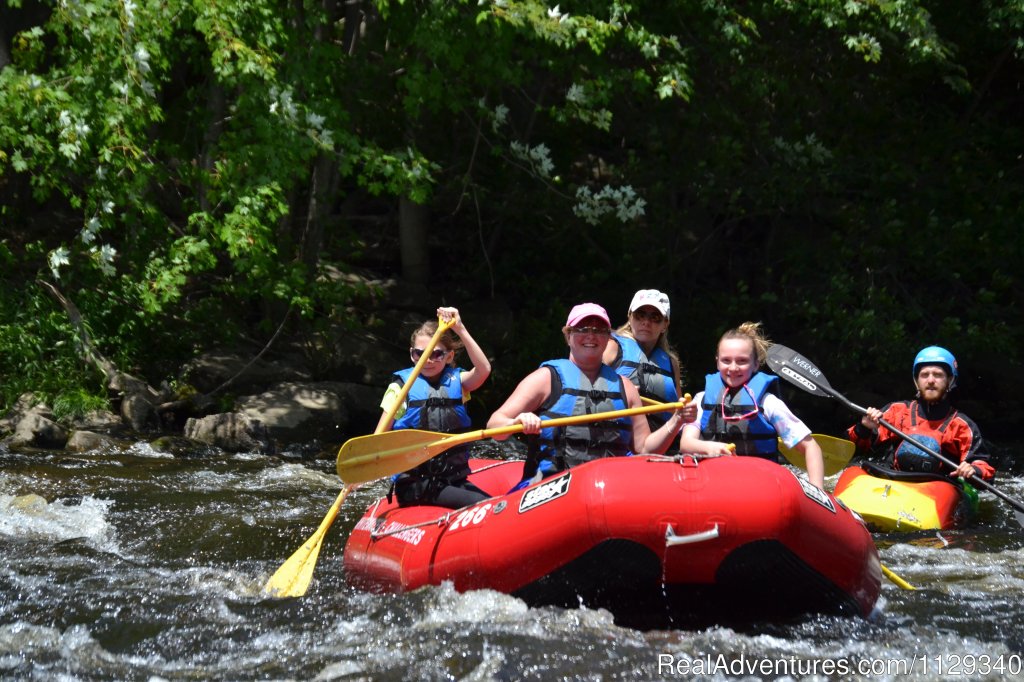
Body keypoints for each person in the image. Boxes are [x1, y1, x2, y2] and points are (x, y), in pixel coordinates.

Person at [486, 302, 690, 482]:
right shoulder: (545, 378)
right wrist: (515, 423)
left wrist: (677, 420)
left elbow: (645, 448)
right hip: (550, 485)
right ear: (568, 335)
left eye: (599, 330)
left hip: (610, 488)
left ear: (608, 337)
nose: (591, 336)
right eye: (582, 329)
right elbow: (495, 424)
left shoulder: (626, 387)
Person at [677, 322, 826, 489]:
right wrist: (713, 448)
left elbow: (811, 447)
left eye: (742, 361)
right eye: (726, 360)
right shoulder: (702, 399)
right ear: (717, 362)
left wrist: (817, 492)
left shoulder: (768, 403)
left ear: (756, 364)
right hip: (713, 482)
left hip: (758, 485)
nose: (733, 368)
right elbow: (686, 444)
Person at [378, 306, 492, 508]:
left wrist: (460, 328)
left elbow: (483, 370)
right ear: (411, 354)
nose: (427, 360)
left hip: (453, 478)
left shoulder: (458, 382)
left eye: (436, 354)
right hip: (415, 483)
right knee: (482, 503)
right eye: (419, 354)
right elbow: (378, 439)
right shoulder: (400, 388)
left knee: (493, 504)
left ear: (449, 356)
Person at [847, 346, 993, 481]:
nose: (930, 380)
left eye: (937, 375)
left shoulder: (962, 425)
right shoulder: (897, 411)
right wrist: (864, 427)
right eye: (924, 375)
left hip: (939, 488)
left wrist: (973, 469)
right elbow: (855, 449)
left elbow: (983, 467)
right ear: (917, 381)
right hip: (895, 480)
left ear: (949, 380)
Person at [602, 289, 684, 432]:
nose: (646, 322)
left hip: (660, 445)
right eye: (640, 315)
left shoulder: (671, 363)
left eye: (655, 317)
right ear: (630, 317)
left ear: (665, 324)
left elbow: (679, 411)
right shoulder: (612, 347)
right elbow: (587, 389)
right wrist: (617, 394)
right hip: (618, 440)